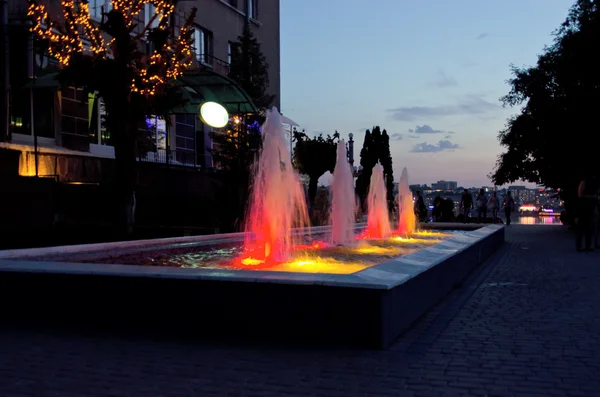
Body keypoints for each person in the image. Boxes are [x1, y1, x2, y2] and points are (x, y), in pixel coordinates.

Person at [576, 175, 598, 252]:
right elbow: (580, 195)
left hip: (591, 206)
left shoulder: (592, 183)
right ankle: (581, 245)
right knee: (583, 226)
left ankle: (586, 245)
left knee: (590, 226)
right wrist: (593, 197)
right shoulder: (584, 182)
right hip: (584, 207)